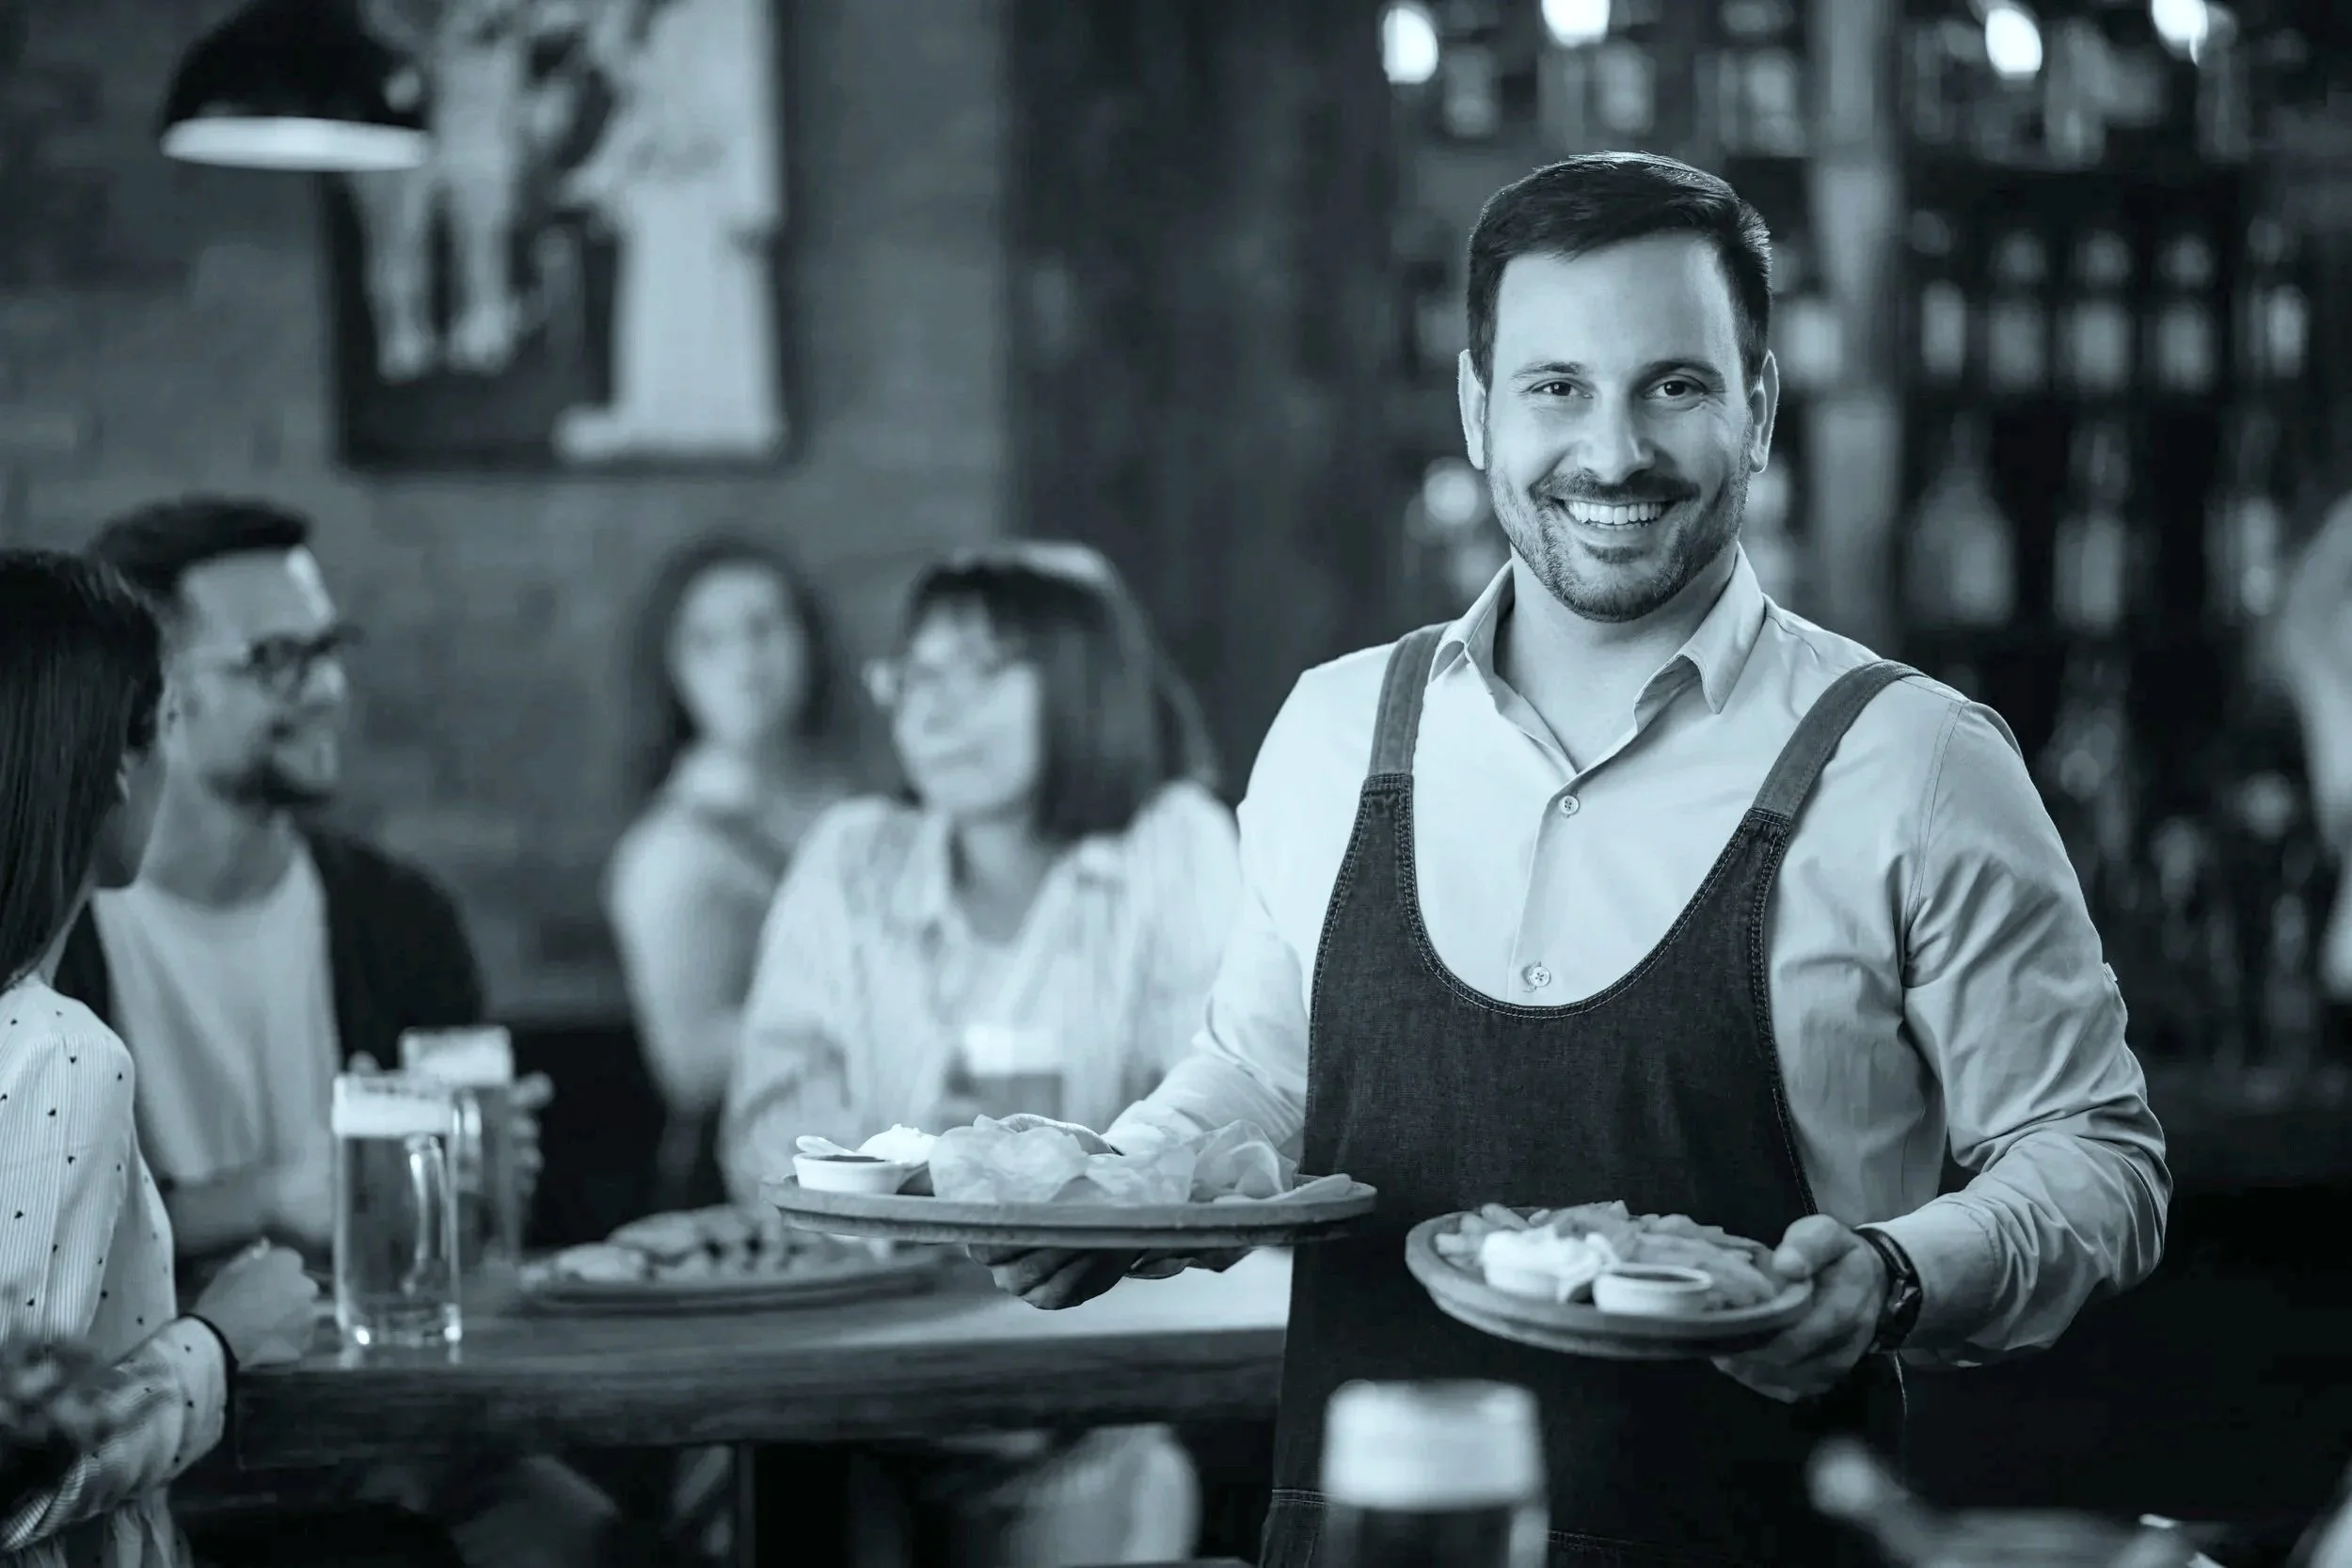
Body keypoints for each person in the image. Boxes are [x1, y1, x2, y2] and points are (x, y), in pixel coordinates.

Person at [977, 153, 2174, 1568]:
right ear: (1479, 410)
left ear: (1762, 406)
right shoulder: (1336, 726)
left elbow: (2096, 1159)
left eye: (1674, 383)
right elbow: (1264, 1074)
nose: (1613, 453)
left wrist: (1897, 1273)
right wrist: (1123, 1190)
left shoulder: (1912, 760)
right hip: (1372, 1535)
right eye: (1556, 387)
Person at [44, 498, 660, 1568]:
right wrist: (273, 1193)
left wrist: (474, 1178)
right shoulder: (54, 933)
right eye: (279, 658)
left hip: (394, 1428)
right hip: (161, 1457)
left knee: (605, 1544)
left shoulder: (393, 911)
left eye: (330, 648)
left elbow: (472, 1250)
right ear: (155, 699)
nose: (328, 686)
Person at [722, 542, 1239, 1566]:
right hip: (854, 1375)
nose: (934, 709)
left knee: (1119, 1490)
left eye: (984, 669)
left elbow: (1212, 1128)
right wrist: (926, 1167)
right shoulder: (851, 853)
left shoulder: (1169, 843)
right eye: (915, 674)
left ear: (1082, 681)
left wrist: (1037, 1183)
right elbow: (763, 1139)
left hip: (1088, 1387)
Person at [0, 547, 321, 1568]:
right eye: (165, 722)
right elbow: (18, 1469)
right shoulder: (58, 1055)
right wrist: (224, 1335)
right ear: (116, 765)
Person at [607, 534, 852, 1215]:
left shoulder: (852, 805)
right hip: (754, 1197)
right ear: (672, 671)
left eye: (765, 628)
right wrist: (863, 1005)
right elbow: (685, 1063)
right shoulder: (673, 848)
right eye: (707, 642)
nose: (746, 661)